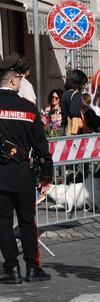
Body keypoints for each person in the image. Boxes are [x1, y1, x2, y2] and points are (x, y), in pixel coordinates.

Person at [0, 52, 53, 283]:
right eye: (20, 79)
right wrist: (46, 175)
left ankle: (11, 268)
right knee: (27, 221)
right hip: (22, 173)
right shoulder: (29, 109)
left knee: (2, 222)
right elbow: (42, 147)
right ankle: (33, 267)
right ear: (13, 80)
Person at [61, 69, 88, 135]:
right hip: (75, 130)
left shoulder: (64, 94)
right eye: (83, 84)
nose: (84, 86)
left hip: (66, 128)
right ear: (78, 83)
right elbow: (74, 111)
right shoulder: (77, 94)